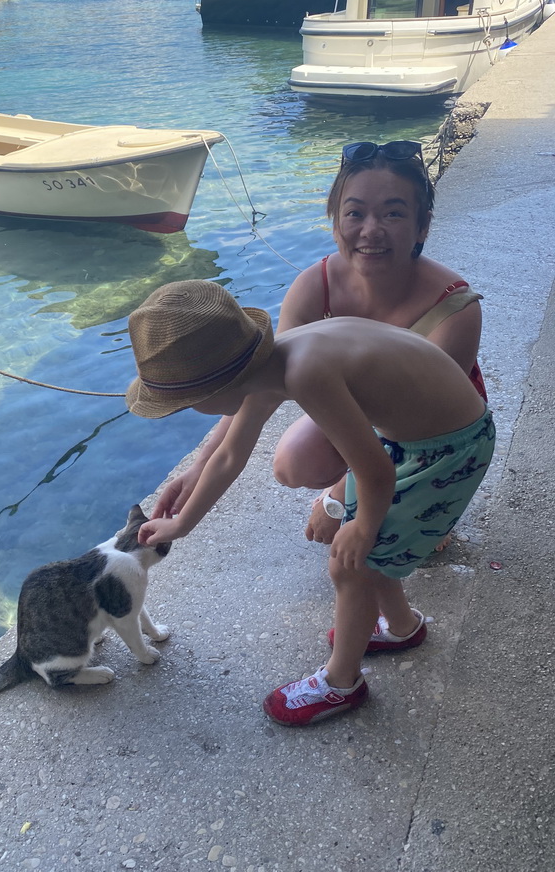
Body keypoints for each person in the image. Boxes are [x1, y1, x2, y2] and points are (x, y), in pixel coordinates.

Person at [126, 280, 495, 725]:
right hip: (410, 439)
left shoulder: (306, 373)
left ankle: (343, 685)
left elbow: (375, 471)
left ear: (217, 390)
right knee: (364, 553)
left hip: (446, 451)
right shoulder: (269, 362)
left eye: (185, 403)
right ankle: (402, 628)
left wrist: (361, 526)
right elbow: (228, 454)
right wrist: (183, 518)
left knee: (352, 562)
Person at [152, 140, 485, 552]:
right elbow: (255, 388)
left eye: (394, 213)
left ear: (423, 226)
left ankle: (431, 503)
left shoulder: (455, 307)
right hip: (356, 411)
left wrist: (339, 502)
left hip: (436, 433)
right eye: (355, 213)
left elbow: (430, 424)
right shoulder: (314, 287)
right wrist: (197, 471)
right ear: (334, 221)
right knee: (294, 461)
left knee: (378, 537)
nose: (371, 230)